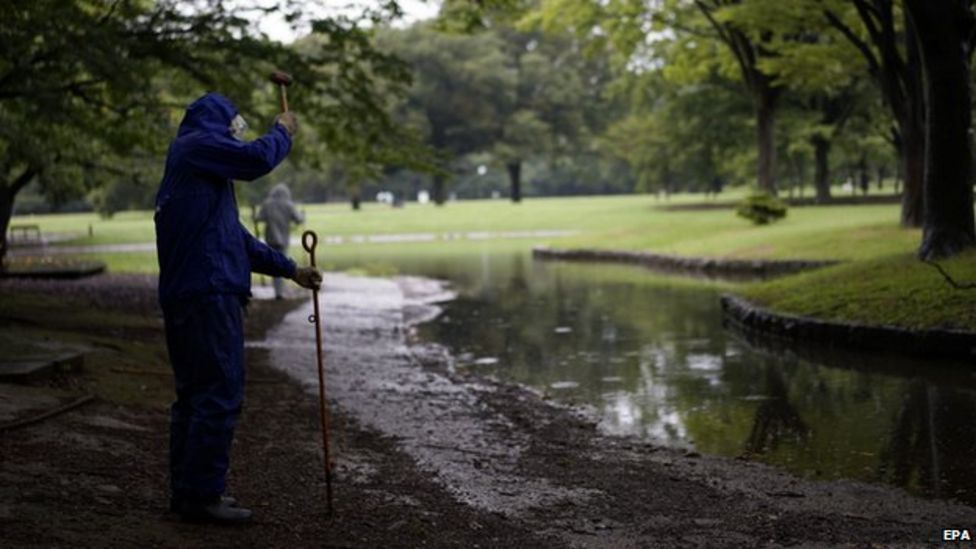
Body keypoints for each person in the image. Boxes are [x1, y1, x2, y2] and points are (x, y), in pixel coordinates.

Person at [154, 92, 321, 525]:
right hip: (208, 294)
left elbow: (237, 240)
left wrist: (292, 271)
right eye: (233, 128)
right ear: (217, 124)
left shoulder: (198, 174)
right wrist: (282, 132)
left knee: (195, 396)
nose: (234, 137)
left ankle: (189, 492)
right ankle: (201, 495)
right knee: (218, 392)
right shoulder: (196, 146)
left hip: (192, 293)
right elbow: (254, 160)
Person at [257, 183, 305, 299]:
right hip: (283, 239)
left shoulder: (267, 204)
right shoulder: (288, 205)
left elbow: (258, 218)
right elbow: (299, 220)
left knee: (275, 264)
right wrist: (303, 215)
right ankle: (279, 291)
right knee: (281, 263)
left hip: (270, 238)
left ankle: (278, 291)